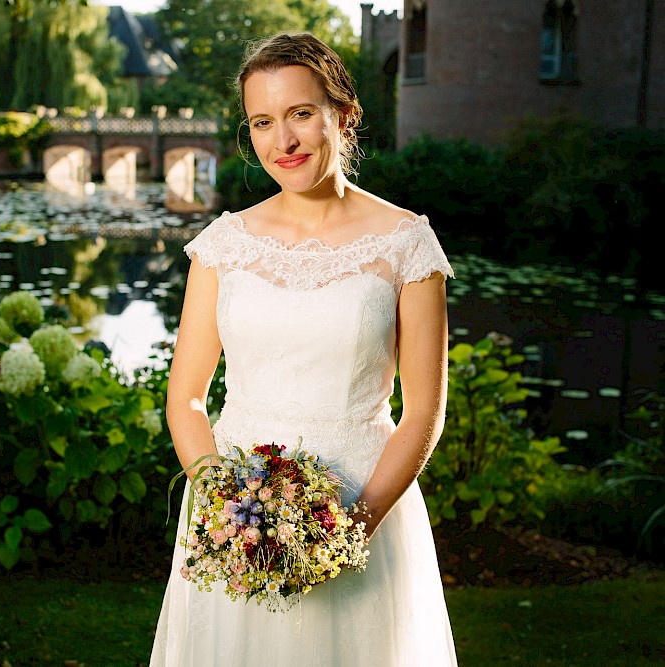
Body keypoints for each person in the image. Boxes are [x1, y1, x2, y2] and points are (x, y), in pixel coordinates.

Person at [149, 31, 459, 666]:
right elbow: (185, 397)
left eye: (299, 115)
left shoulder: (407, 244)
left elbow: (423, 412)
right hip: (234, 520)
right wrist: (224, 506)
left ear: (341, 117)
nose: (282, 142)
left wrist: (347, 528)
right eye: (262, 122)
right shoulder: (223, 245)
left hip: (360, 510)